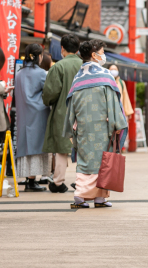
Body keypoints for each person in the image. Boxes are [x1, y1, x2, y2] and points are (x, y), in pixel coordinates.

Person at [64, 40, 128, 208]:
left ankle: (81, 196)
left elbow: (71, 105)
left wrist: (72, 126)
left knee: (85, 161)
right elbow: (113, 103)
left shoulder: (78, 77)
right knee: (103, 162)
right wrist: (117, 123)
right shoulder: (105, 75)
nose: (103, 55)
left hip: (83, 127)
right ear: (94, 55)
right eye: (102, 52)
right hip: (103, 127)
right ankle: (98, 198)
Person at [42, 34, 82, 194]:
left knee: (61, 148)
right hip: (84, 112)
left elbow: (50, 93)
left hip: (62, 112)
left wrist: (47, 101)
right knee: (84, 147)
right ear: (78, 49)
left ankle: (58, 181)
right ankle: (83, 180)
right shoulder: (85, 66)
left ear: (62, 49)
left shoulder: (58, 67)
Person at [13, 44, 51, 192]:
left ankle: (29, 179)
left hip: (23, 114)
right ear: (39, 56)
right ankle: (32, 180)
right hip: (38, 113)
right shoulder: (41, 73)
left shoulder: (19, 74)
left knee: (26, 146)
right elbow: (48, 92)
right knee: (37, 147)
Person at [108, 64, 134, 152]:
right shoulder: (106, 81)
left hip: (120, 110)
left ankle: (120, 146)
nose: (113, 71)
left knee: (121, 128)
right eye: (111, 69)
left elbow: (125, 97)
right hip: (109, 110)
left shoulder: (121, 83)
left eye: (115, 69)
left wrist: (128, 112)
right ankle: (111, 147)